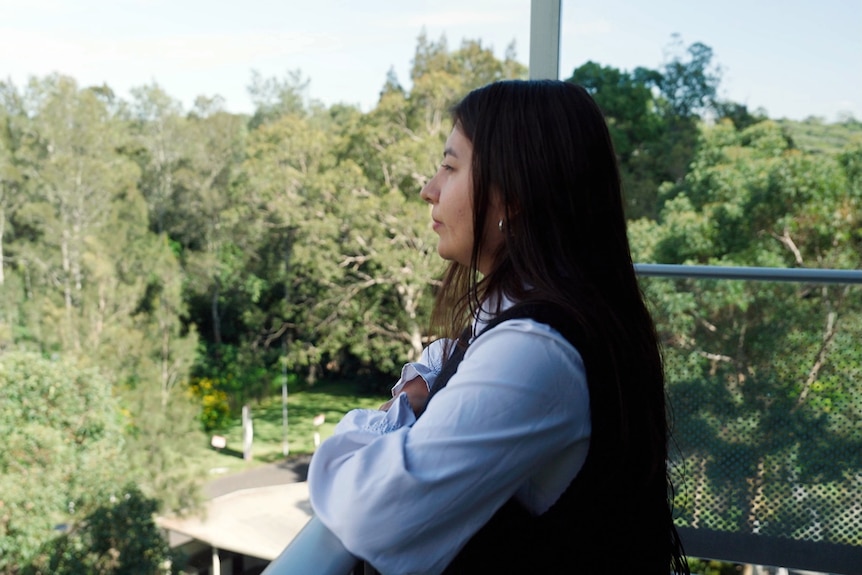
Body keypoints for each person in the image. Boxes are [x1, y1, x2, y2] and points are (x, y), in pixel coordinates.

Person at [307, 79, 689, 575]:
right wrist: (437, 374)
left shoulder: (537, 350)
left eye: (449, 166)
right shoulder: (559, 309)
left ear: (513, 194)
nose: (429, 190)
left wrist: (390, 414)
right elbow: (459, 355)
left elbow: (368, 511)